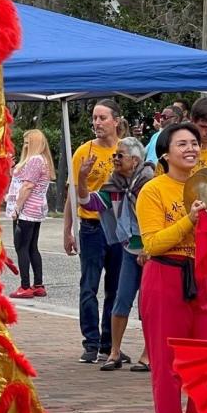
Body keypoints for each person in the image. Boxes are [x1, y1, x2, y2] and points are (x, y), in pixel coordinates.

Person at [136, 122, 207, 413]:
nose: (191, 148)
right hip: (165, 278)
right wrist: (189, 220)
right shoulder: (153, 190)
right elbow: (151, 243)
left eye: (194, 143)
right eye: (182, 144)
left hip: (201, 278)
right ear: (165, 153)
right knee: (167, 367)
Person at [77, 135, 153, 371]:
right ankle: (114, 352)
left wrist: (149, 249)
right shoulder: (115, 185)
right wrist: (82, 177)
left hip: (152, 251)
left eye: (120, 155)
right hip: (130, 249)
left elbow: (156, 220)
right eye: (114, 155)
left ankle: (149, 353)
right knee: (121, 300)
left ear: (135, 159)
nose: (115, 159)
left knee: (149, 305)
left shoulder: (150, 184)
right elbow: (89, 203)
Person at [64, 99, 124, 363]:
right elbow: (71, 194)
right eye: (94, 118)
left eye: (102, 118)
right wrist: (68, 229)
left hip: (119, 228)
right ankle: (90, 341)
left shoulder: (126, 151)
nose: (97, 123)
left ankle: (109, 342)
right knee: (89, 285)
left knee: (116, 286)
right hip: (91, 226)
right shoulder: (83, 152)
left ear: (116, 121)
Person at [6, 128, 54, 298]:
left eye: (28, 143)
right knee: (32, 246)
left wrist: (16, 208)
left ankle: (25, 286)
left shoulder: (34, 160)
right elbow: (22, 180)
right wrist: (13, 169)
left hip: (27, 210)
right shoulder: (42, 160)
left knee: (21, 246)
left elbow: (27, 186)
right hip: (35, 209)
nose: (25, 146)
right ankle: (38, 284)